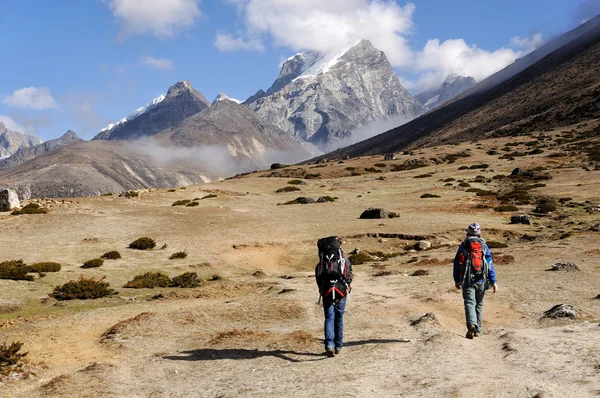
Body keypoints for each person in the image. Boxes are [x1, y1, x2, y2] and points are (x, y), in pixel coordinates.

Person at [453, 222, 497, 339]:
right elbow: (489, 264)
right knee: (479, 304)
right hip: (481, 279)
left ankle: (472, 324)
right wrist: (493, 281)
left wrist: (457, 279)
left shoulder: (464, 245)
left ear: (468, 232)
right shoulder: (484, 246)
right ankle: (478, 329)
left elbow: (457, 263)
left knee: (469, 302)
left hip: (467, 280)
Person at [315, 236, 353, 357]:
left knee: (329, 318)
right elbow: (349, 276)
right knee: (339, 318)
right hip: (341, 292)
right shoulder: (344, 261)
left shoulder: (321, 263)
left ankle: (329, 345)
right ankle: (338, 345)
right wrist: (346, 287)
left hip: (326, 292)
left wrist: (322, 290)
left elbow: (318, 277)